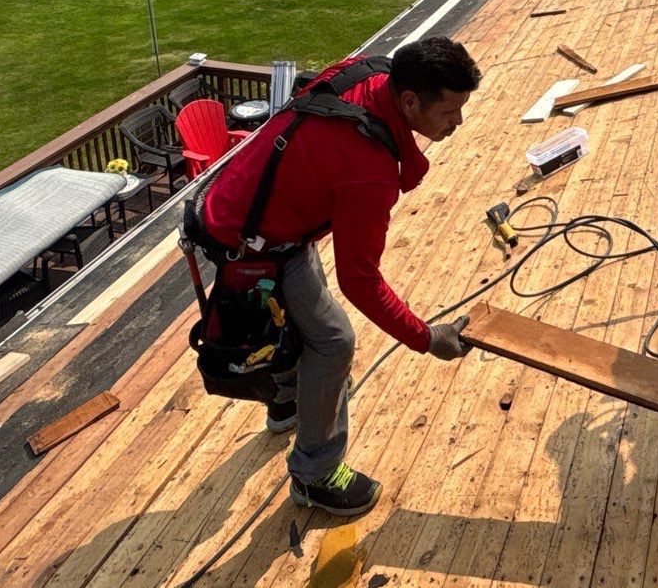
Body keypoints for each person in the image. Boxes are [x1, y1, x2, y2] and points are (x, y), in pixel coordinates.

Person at [197, 36, 481, 516]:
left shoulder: (371, 74)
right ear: (409, 100)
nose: (458, 122)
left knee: (298, 320)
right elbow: (360, 281)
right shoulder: (367, 168)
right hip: (252, 240)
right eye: (450, 111)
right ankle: (316, 475)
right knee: (332, 341)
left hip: (250, 210)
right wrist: (427, 337)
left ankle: (286, 402)